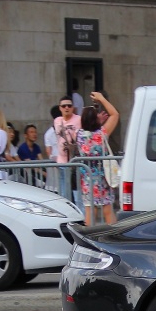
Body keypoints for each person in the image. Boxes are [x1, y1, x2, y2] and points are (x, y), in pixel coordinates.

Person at [75, 91, 120, 226]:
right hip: (102, 177)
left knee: (90, 211)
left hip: (87, 178)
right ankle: (113, 236)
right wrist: (101, 99)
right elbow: (115, 114)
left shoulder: (79, 135)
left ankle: (88, 239)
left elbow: (87, 126)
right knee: (108, 210)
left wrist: (95, 120)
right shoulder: (101, 134)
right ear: (96, 120)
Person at [52, 96, 82, 205]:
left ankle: (82, 218)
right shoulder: (57, 121)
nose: (66, 108)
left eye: (69, 105)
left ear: (73, 107)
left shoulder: (78, 119)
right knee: (64, 193)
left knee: (77, 192)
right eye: (63, 106)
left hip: (75, 162)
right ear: (60, 108)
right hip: (62, 161)